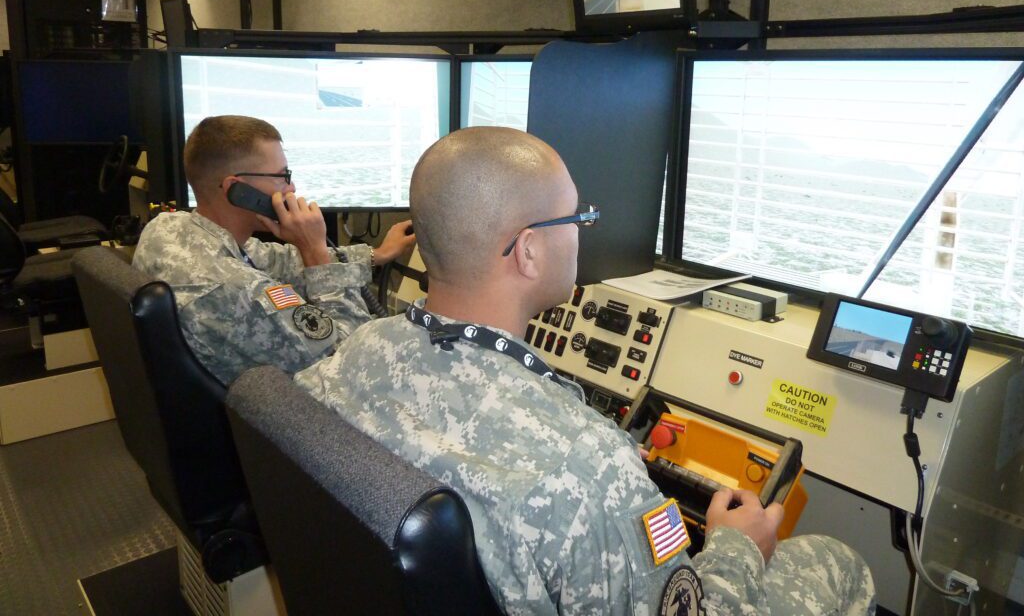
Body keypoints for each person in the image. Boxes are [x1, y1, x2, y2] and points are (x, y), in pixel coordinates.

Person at [296, 127, 875, 616]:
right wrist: (736, 549)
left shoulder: (350, 354)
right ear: (527, 251)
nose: (581, 232)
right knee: (836, 562)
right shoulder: (589, 465)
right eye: (576, 218)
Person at [133, 115, 415, 385]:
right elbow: (352, 362)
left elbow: (273, 259)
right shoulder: (238, 291)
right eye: (282, 176)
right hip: (283, 421)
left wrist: (375, 255)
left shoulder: (168, 229)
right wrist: (316, 254)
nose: (292, 187)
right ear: (237, 189)